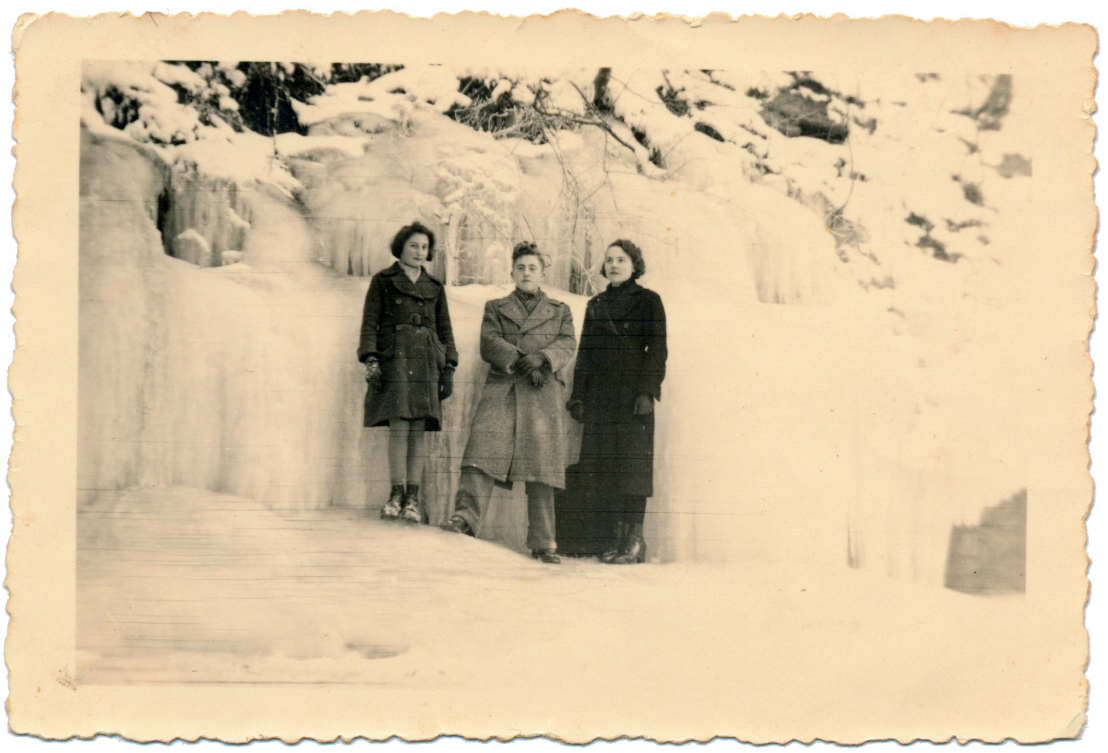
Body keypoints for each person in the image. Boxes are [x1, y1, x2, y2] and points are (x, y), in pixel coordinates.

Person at [440, 242, 577, 564]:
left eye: (533, 268)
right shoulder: (495, 307)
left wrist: (543, 359)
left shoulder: (561, 310)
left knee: (542, 468)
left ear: (543, 273)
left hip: (542, 391)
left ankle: (544, 542)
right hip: (504, 387)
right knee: (481, 453)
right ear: (512, 272)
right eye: (521, 268)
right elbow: (489, 342)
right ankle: (465, 520)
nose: (526, 273)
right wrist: (520, 361)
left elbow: (568, 343)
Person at [567, 239, 667, 564]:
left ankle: (634, 540)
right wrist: (579, 396)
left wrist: (647, 392)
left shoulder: (650, 301)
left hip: (633, 398)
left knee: (633, 468)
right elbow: (585, 354)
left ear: (634, 265)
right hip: (600, 397)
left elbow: (658, 351)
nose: (614, 265)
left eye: (621, 260)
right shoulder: (595, 305)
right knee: (603, 468)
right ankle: (611, 536)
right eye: (609, 260)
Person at [358, 221, 458, 524]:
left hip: (427, 361)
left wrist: (449, 365)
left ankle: (413, 499)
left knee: (418, 430)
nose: (419, 251)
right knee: (399, 425)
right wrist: (371, 359)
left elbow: (445, 330)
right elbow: (369, 323)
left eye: (424, 247)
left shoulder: (435, 287)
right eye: (414, 245)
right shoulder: (383, 281)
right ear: (401, 246)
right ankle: (396, 494)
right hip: (396, 359)